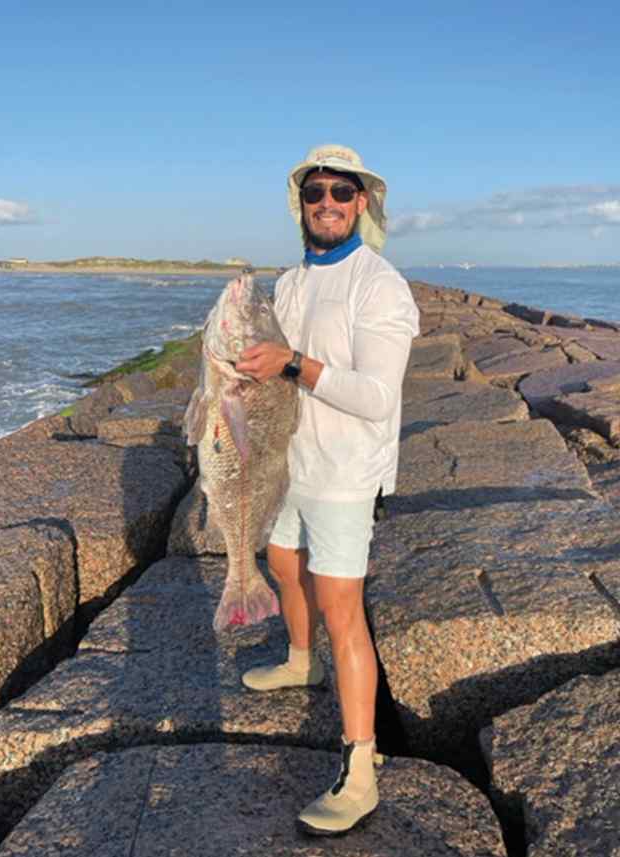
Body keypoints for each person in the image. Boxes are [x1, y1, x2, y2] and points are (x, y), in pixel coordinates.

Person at [235, 144, 420, 835]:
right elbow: (278, 372)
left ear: (362, 202)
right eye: (317, 192)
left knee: (342, 604)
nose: (329, 204)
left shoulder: (381, 285)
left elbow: (375, 398)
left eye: (343, 192)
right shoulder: (290, 283)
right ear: (302, 203)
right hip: (292, 461)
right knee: (283, 563)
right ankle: (301, 660)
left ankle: (361, 768)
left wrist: (292, 363)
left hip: (346, 472)